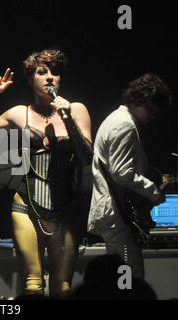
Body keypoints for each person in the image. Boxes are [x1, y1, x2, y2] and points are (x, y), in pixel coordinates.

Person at [0, 47, 93, 297]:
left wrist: (68, 119)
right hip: (26, 205)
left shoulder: (76, 109)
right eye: (42, 72)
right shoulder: (19, 113)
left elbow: (87, 157)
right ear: (30, 79)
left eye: (55, 72)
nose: (50, 77)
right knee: (33, 284)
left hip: (67, 207)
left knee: (62, 287)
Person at [87, 73, 172, 279]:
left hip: (116, 213)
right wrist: (153, 192)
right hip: (117, 214)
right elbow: (122, 173)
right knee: (128, 278)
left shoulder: (118, 119)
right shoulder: (124, 124)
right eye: (150, 108)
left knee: (124, 276)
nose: (152, 116)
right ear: (136, 100)